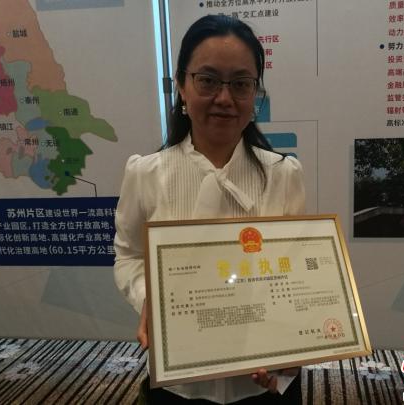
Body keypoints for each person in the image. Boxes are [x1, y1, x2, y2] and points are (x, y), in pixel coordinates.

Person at [114, 14, 305, 404]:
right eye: (208, 80)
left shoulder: (284, 175)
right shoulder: (145, 174)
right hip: (180, 384)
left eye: (241, 83)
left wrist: (295, 346)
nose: (224, 98)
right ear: (182, 86)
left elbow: (298, 271)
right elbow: (129, 255)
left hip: (261, 380)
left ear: (255, 93)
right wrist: (152, 297)